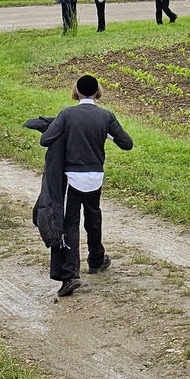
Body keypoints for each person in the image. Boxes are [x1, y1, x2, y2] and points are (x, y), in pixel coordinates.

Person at [38, 74, 134, 297]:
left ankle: (70, 274)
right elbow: (127, 144)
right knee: (93, 217)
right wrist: (107, 135)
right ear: (97, 91)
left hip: (73, 177)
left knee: (71, 223)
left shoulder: (67, 114)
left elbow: (45, 140)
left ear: (77, 92)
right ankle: (96, 259)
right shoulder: (106, 116)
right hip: (95, 177)